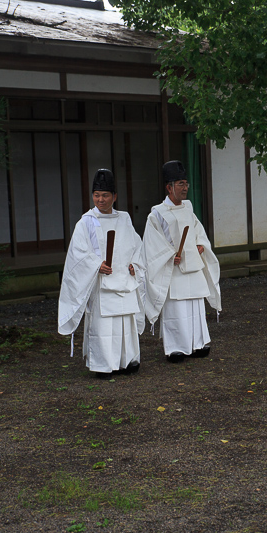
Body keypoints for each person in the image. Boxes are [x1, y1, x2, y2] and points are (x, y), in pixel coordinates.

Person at [58, 169, 146, 378]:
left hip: (124, 280)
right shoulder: (86, 222)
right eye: (96, 195)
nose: (100, 199)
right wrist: (97, 265)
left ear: (114, 196)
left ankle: (128, 360)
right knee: (105, 326)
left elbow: (137, 245)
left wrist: (135, 264)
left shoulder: (124, 218)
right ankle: (103, 364)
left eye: (105, 195)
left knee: (125, 323)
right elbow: (78, 253)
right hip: (102, 282)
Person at [143, 160, 221, 362]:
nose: (185, 188)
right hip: (174, 269)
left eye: (186, 183)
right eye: (180, 184)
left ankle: (199, 343)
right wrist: (169, 255)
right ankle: (176, 348)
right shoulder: (157, 213)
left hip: (193, 267)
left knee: (195, 306)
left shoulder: (188, 208)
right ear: (169, 187)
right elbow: (152, 243)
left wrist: (201, 245)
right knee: (176, 309)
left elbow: (199, 233)